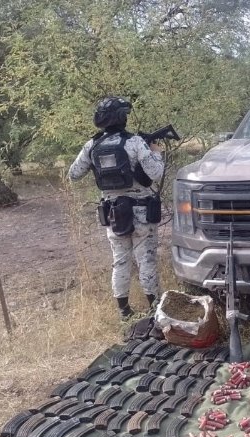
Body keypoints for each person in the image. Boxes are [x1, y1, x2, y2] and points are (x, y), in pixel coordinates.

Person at [68, 97, 165, 320]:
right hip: (141, 211)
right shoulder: (134, 143)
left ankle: (124, 311)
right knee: (146, 260)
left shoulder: (92, 145)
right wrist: (156, 152)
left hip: (113, 214)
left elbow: (73, 174)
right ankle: (155, 310)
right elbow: (156, 173)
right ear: (122, 117)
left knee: (120, 261)